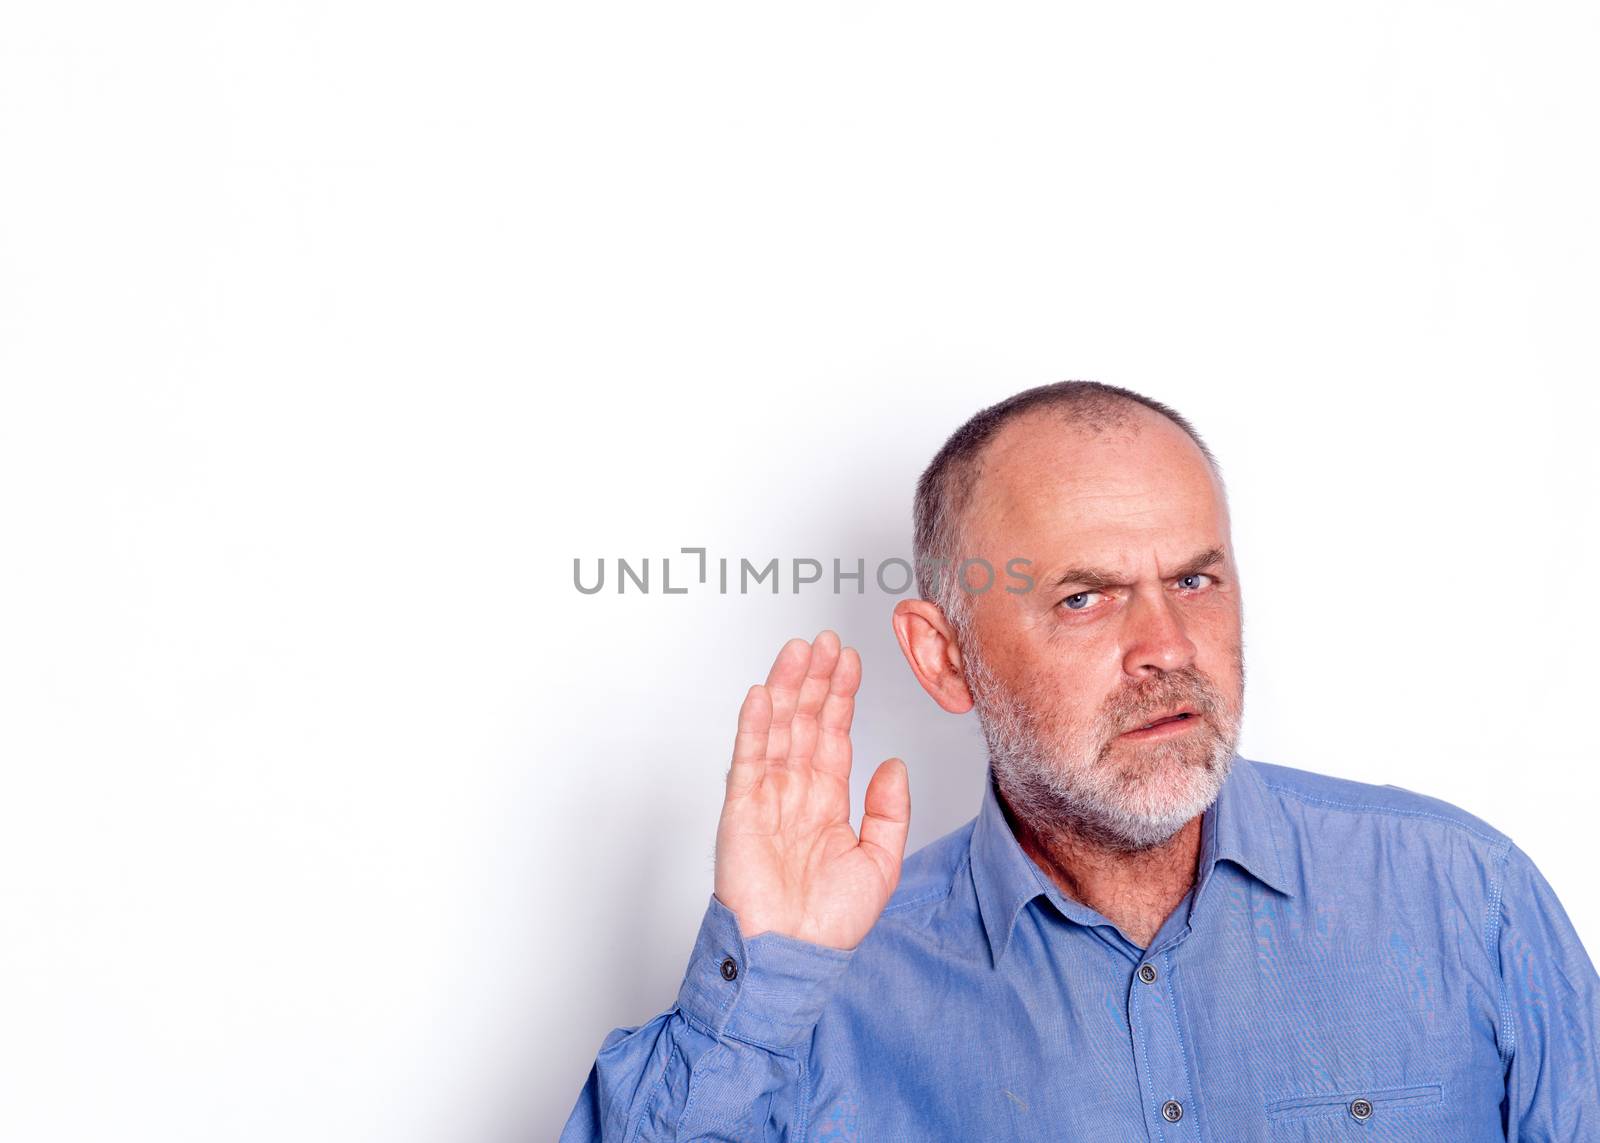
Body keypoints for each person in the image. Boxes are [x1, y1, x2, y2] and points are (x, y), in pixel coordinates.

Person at [560, 381, 1599, 1141]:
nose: (1166, 648)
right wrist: (768, 969)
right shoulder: (821, 1000)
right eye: (1084, 597)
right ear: (945, 655)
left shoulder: (1462, 901)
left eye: (1194, 581)